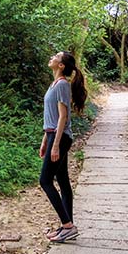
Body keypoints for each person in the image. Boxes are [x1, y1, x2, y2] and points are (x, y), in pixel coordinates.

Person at [39, 50, 86, 243]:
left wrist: (56, 144)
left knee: (45, 180)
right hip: (52, 135)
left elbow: (63, 117)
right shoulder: (54, 84)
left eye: (56, 57)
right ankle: (68, 226)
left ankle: (68, 225)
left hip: (60, 138)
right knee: (63, 181)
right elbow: (51, 118)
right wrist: (45, 140)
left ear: (61, 66)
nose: (52, 57)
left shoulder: (62, 85)